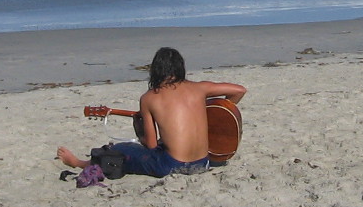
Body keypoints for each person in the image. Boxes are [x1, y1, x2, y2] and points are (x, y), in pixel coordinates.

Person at [57, 47, 247, 178]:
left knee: (121, 149)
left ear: (155, 71)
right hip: (204, 162)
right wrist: (215, 112)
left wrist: (140, 132)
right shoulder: (200, 88)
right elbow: (239, 90)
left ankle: (78, 163)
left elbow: (150, 145)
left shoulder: (149, 98)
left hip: (172, 166)